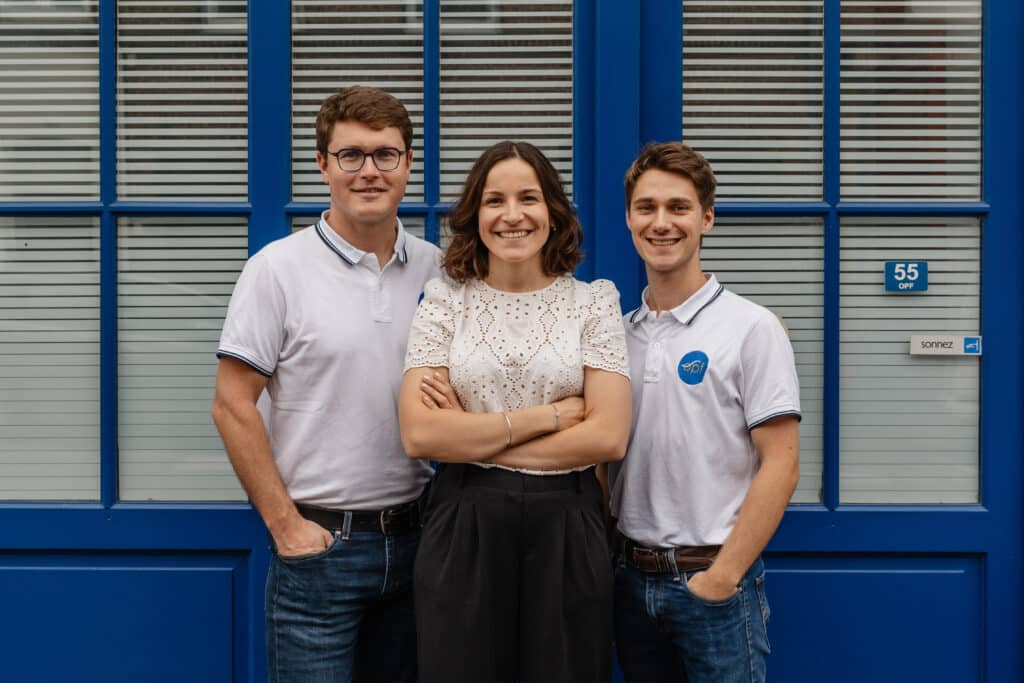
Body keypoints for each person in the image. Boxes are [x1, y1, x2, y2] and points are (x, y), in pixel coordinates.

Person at [211, 85, 439, 683]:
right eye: (351, 155)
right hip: (321, 548)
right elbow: (232, 405)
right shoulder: (276, 270)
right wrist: (287, 527)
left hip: (421, 544)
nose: (369, 171)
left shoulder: (439, 269)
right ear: (323, 165)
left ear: (408, 164)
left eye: (386, 155)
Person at [398, 141, 632, 683]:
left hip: (569, 525)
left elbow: (608, 437)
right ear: (474, 215)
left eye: (528, 198)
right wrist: (549, 418)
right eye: (494, 200)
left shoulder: (593, 302)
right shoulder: (445, 301)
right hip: (464, 519)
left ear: (553, 213)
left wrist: (471, 435)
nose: (512, 215)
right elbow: (420, 433)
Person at [609, 142, 801, 683]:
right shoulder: (616, 334)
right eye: (646, 208)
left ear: (707, 218)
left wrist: (723, 576)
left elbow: (781, 464)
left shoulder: (750, 327)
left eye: (679, 207)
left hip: (713, 581)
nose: (661, 223)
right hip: (629, 579)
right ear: (629, 218)